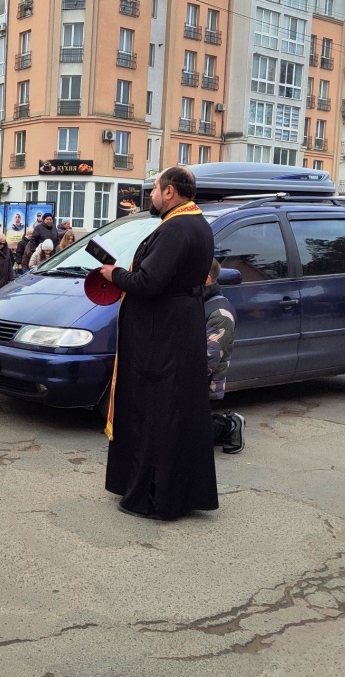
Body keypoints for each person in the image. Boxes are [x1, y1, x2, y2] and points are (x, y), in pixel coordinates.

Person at [98, 166, 217, 521]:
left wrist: (113, 275)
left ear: (169, 193)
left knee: (156, 412)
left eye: (154, 189)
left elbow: (150, 282)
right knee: (175, 411)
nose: (149, 195)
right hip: (176, 327)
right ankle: (176, 491)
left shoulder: (177, 228)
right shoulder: (195, 222)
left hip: (161, 335)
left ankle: (153, 496)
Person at [204, 258, 245, 454]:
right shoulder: (198, 303)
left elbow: (207, 362)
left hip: (206, 387)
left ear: (205, 279)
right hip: (187, 382)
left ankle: (229, 424)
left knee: (184, 440)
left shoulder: (220, 313)